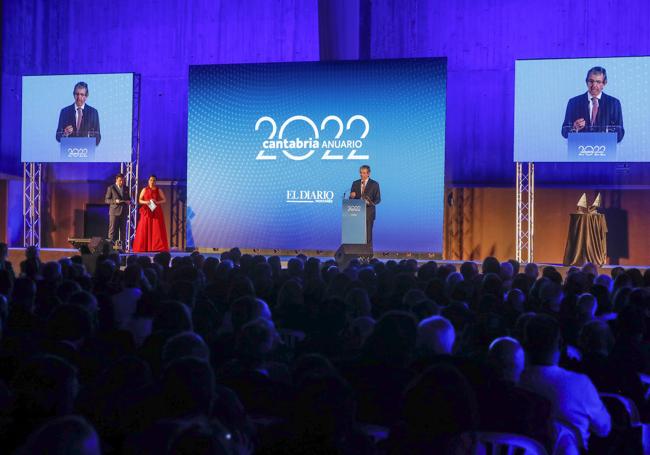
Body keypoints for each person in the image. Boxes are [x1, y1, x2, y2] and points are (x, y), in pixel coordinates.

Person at [561, 66, 624, 142]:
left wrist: (608, 131)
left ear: (604, 83)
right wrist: (574, 128)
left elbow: (620, 134)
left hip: (605, 150)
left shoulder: (614, 103)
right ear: (586, 82)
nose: (594, 85)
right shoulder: (573, 102)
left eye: (598, 82)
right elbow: (564, 132)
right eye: (591, 81)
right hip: (579, 149)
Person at [132, 175, 169, 252]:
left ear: (155, 182)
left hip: (156, 210)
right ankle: (144, 247)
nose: (152, 182)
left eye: (154, 180)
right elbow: (139, 200)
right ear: (148, 181)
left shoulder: (158, 190)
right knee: (144, 228)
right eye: (151, 180)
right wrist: (146, 202)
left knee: (156, 228)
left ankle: (156, 247)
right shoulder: (144, 189)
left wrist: (157, 202)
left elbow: (164, 200)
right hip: (146, 210)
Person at [349, 165, 381, 246]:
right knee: (357, 235)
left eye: (363, 173)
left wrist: (369, 203)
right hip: (356, 213)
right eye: (360, 173)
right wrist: (351, 196)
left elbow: (378, 199)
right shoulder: (355, 183)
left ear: (368, 173)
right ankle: (357, 253)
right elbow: (351, 199)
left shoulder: (374, 184)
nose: (361, 175)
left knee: (368, 236)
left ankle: (367, 256)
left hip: (368, 213)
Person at [104, 173, 131, 248]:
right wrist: (115, 201)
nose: (121, 182)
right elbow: (106, 200)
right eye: (120, 181)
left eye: (123, 181)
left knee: (123, 232)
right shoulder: (111, 188)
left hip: (123, 212)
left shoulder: (126, 188)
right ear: (116, 180)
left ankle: (123, 248)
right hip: (114, 212)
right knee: (112, 231)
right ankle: (110, 248)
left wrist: (129, 201)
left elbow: (128, 198)